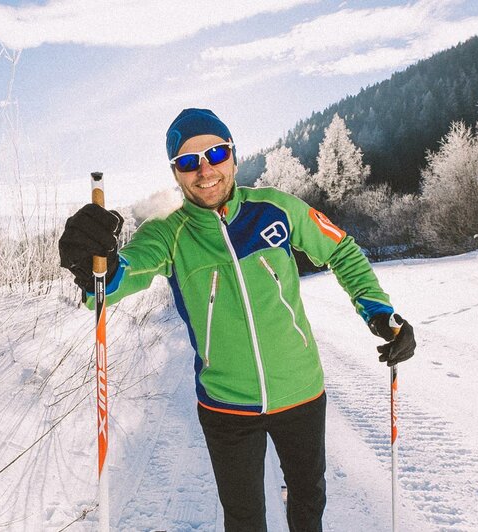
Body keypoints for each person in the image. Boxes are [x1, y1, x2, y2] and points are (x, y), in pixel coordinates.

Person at [58, 108, 416, 531]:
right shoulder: (168, 234)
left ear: (233, 155)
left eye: (215, 154)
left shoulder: (275, 209)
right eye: (189, 162)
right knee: (244, 520)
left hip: (301, 391)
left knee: (308, 502)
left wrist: (377, 310)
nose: (205, 170)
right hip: (226, 406)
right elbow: (114, 281)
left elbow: (339, 249)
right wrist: (90, 264)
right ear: (176, 173)